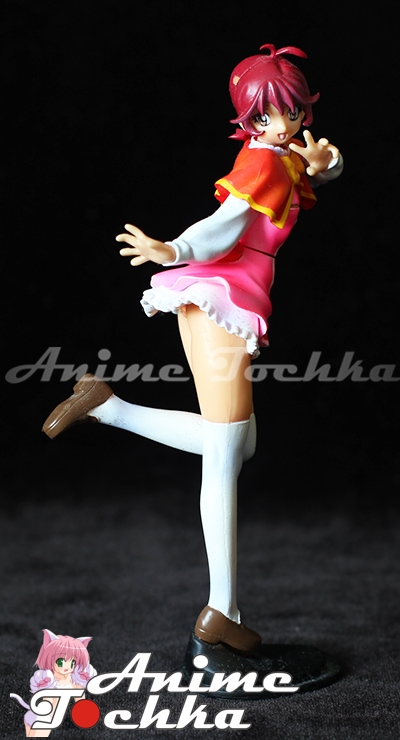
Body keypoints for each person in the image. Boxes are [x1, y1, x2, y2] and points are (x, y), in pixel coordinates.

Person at [42, 44, 342, 655]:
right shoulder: (261, 161)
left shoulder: (284, 155)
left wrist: (324, 164)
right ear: (249, 119)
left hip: (234, 293)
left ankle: (107, 407)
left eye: (290, 113)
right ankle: (221, 610)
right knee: (225, 451)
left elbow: (316, 171)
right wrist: (173, 250)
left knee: (239, 443)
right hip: (220, 295)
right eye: (267, 116)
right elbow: (223, 226)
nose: (281, 125)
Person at [10, 629, 96, 737]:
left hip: (47, 717)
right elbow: (47, 701)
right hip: (43, 717)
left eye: (72, 662)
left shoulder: (74, 681)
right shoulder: (48, 679)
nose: (67, 667)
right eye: (61, 662)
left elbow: (81, 704)